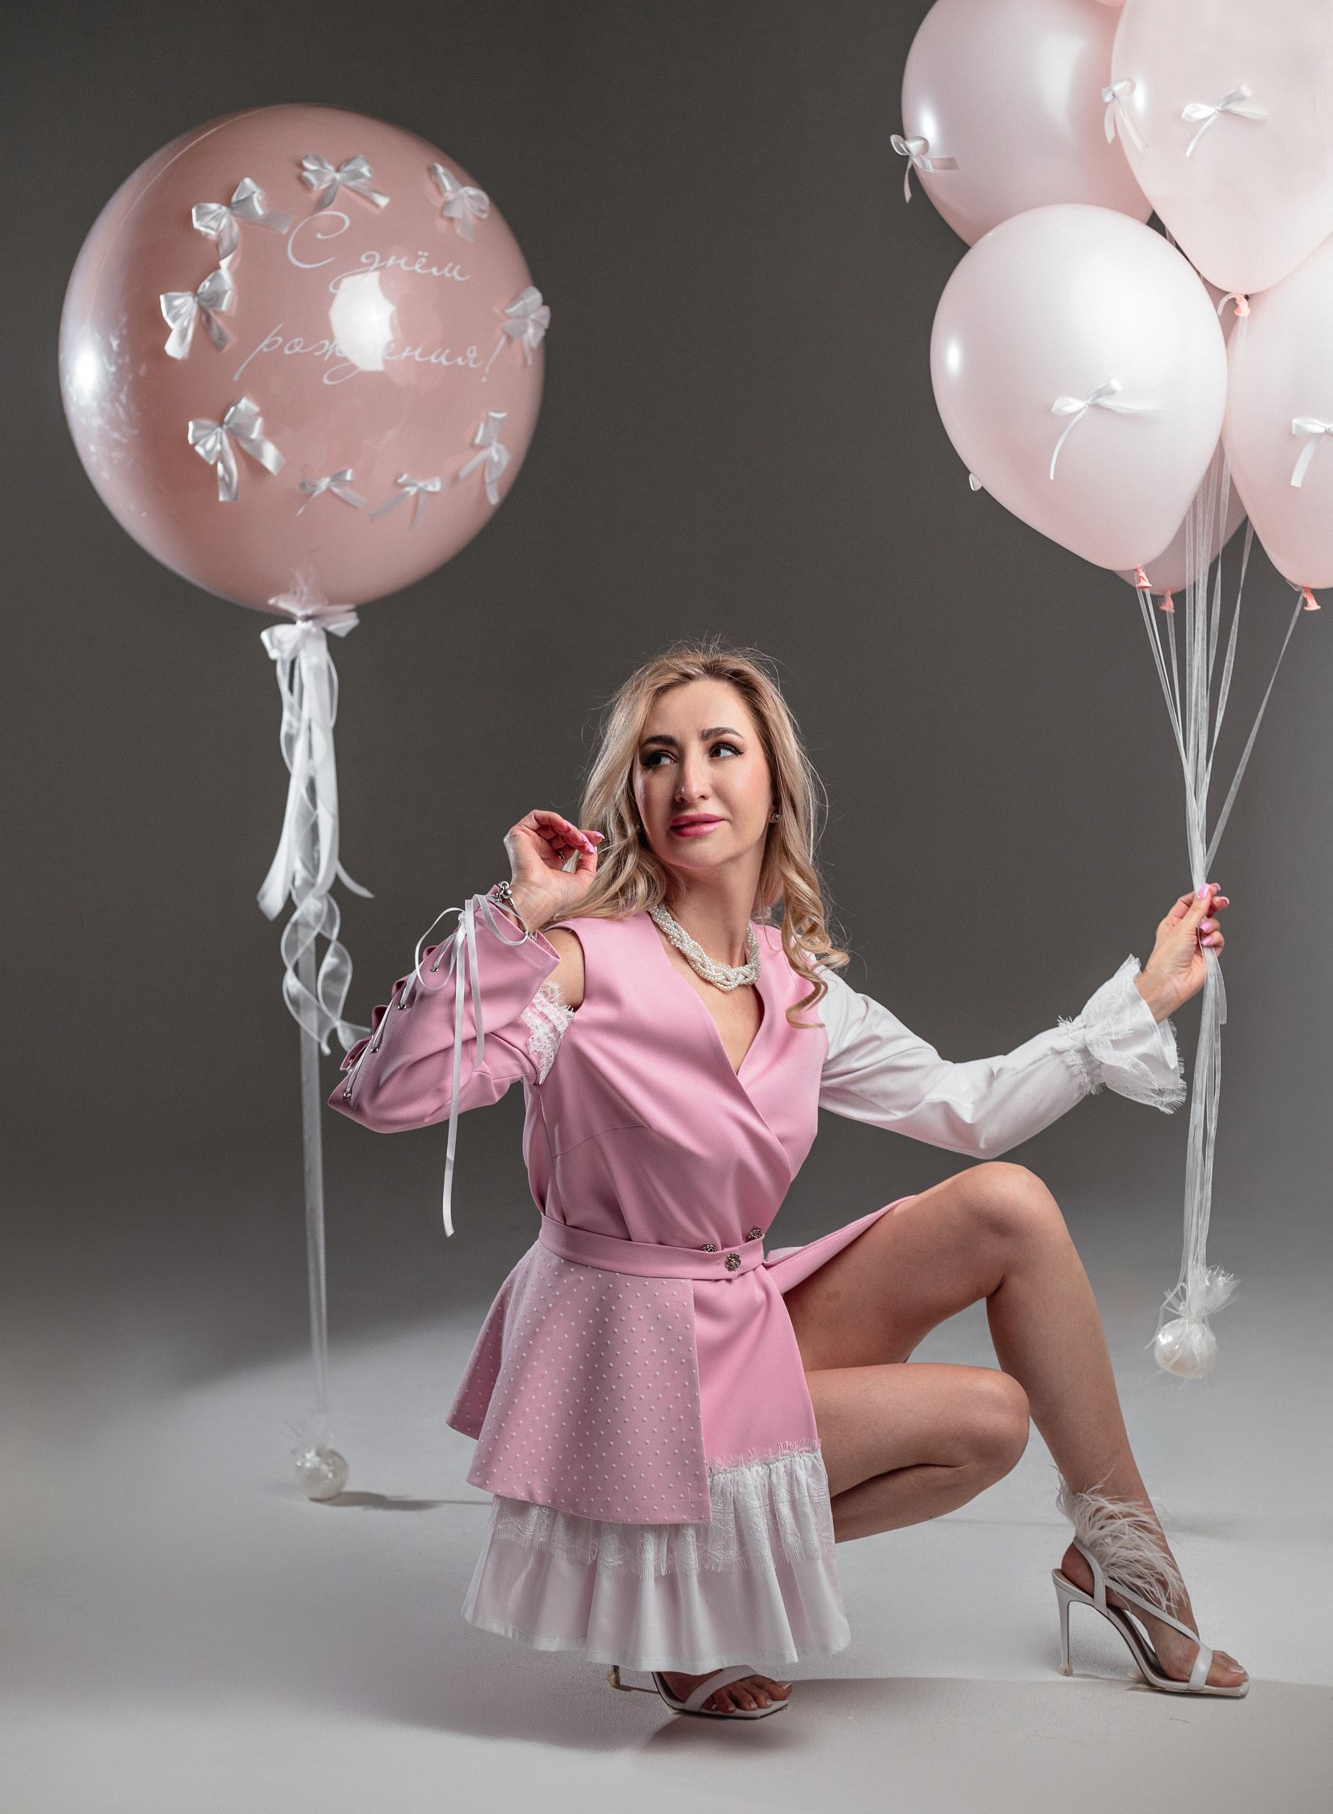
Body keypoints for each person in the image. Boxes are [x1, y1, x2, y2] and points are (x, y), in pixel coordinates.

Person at [328, 642, 1248, 1720]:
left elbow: (970, 1109)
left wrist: (1141, 1001)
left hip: (735, 1318)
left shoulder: (797, 986)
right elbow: (388, 1093)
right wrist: (519, 916)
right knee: (989, 1416)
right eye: (658, 757)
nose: (690, 781)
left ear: (774, 787)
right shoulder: (579, 960)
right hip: (623, 1359)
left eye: (722, 749)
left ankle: (1128, 1562)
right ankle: (669, 1593)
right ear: (632, 794)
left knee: (1008, 1207)